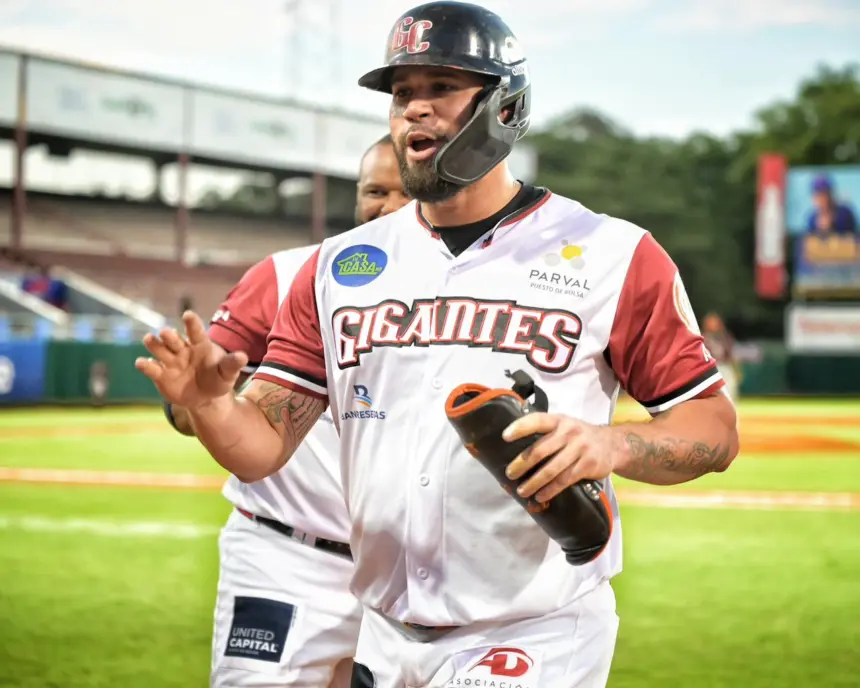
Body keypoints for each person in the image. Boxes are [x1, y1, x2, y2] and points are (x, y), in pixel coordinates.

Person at [138, 3, 740, 687]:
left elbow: (713, 430)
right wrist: (211, 406)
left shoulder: (614, 254)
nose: (414, 110)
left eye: (442, 88)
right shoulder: (335, 268)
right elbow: (261, 449)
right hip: (384, 631)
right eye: (402, 94)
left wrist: (613, 445)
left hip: (533, 632)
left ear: (505, 105)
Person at [161, 134, 408, 688]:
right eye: (375, 191)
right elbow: (189, 406)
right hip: (284, 555)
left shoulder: (470, 294)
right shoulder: (285, 274)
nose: (388, 206)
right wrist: (201, 402)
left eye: (405, 192)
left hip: (408, 570)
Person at [702, 312, 740, 401]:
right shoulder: (702, 337)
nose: (713, 324)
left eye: (715, 322)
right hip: (710, 368)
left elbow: (731, 355)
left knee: (731, 391)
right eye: (711, 322)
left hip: (725, 367)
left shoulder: (725, 337)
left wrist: (736, 369)